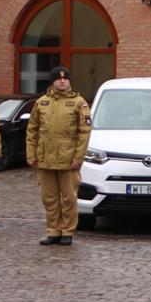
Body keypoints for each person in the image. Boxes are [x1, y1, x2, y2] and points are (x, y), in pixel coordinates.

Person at [27, 67, 90, 246]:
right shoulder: (42, 102)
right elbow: (32, 130)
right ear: (53, 81)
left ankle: (67, 231)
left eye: (65, 79)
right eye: (58, 79)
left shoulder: (78, 103)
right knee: (49, 198)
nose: (62, 81)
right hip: (46, 158)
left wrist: (78, 157)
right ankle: (53, 230)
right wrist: (31, 154)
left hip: (68, 159)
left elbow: (84, 133)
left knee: (69, 197)